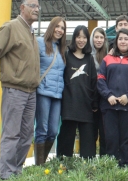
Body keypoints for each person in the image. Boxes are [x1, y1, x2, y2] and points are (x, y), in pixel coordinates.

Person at [0, 0, 41, 179]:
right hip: (15, 89)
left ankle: (16, 170)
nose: (36, 9)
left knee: (26, 135)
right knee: (12, 134)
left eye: (38, 6)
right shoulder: (11, 28)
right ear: (22, 8)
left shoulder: (30, 32)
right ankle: (6, 174)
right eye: (32, 6)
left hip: (31, 92)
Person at [98, 28, 128, 167]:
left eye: (126, 39)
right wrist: (109, 95)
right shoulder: (107, 59)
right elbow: (100, 79)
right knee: (111, 138)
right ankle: (112, 168)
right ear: (116, 41)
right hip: (110, 106)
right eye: (120, 39)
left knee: (126, 139)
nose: (123, 41)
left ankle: (124, 167)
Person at [56, 25, 98, 159]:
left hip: (86, 105)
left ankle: (86, 170)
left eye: (84, 37)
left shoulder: (89, 58)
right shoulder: (66, 55)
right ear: (74, 38)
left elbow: (93, 81)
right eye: (78, 37)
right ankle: (62, 165)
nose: (81, 40)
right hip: (69, 104)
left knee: (88, 143)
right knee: (66, 141)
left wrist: (94, 103)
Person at [34, 16, 66, 165]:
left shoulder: (62, 48)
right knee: (42, 130)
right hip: (43, 92)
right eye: (57, 26)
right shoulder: (40, 43)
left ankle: (43, 162)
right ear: (51, 27)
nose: (60, 30)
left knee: (53, 131)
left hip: (57, 94)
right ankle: (39, 166)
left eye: (62, 28)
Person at [90, 27, 108, 156]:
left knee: (104, 132)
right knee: (91, 132)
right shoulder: (86, 55)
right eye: (96, 37)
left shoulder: (108, 56)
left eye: (101, 37)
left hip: (104, 98)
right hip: (90, 98)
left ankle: (103, 161)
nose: (99, 40)